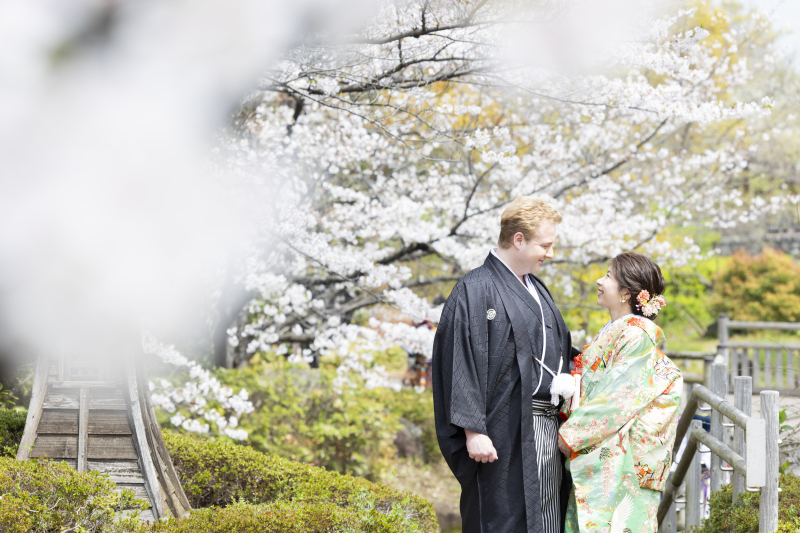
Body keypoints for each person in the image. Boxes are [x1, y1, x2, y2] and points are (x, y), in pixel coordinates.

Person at [432, 196, 579, 533]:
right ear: (518, 240)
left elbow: (558, 350)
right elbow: (460, 357)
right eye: (545, 244)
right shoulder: (475, 288)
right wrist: (473, 430)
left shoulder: (536, 288)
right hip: (501, 430)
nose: (550, 253)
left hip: (544, 425)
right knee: (501, 516)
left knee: (546, 511)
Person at [557, 252, 683, 533]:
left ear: (626, 292)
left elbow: (618, 398)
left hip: (620, 462)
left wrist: (571, 433)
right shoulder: (619, 330)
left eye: (608, 276)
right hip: (607, 455)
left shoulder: (636, 335)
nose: (600, 281)